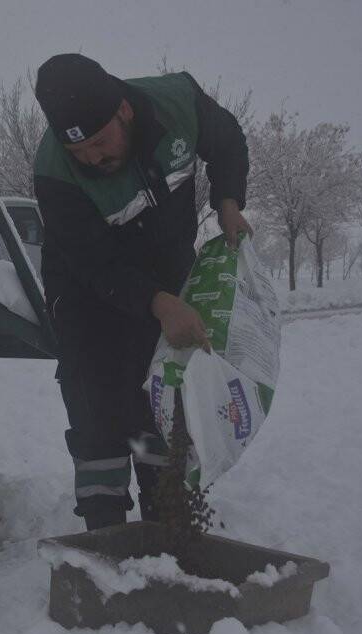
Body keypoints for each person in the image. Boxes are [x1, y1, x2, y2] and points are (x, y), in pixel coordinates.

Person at [33, 53, 252, 530]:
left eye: (99, 141)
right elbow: (94, 264)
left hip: (166, 266)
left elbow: (228, 140)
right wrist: (158, 302)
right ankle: (105, 537)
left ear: (124, 112)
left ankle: (169, 516)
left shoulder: (178, 104)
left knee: (163, 399)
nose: (92, 157)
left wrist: (229, 200)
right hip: (86, 288)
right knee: (99, 403)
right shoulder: (54, 172)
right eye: (79, 151)